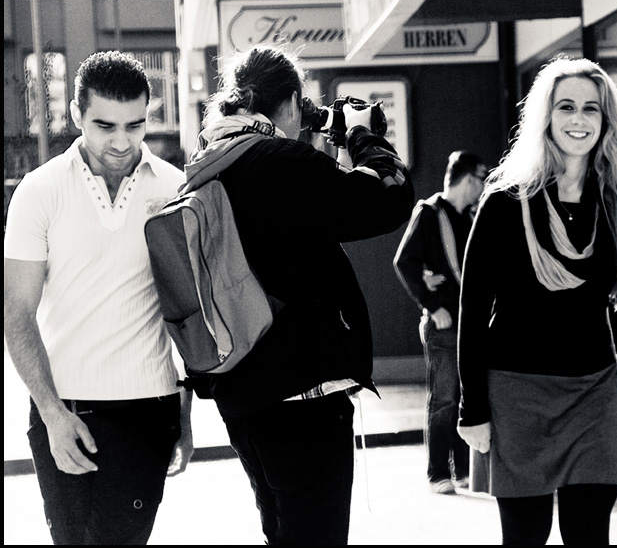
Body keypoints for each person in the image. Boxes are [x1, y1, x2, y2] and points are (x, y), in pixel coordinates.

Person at [187, 44, 413, 545]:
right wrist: (363, 136)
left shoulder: (211, 161)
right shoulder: (279, 162)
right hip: (303, 405)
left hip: (244, 399)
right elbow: (389, 198)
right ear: (291, 101)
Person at [456, 56, 617, 545]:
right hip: (516, 393)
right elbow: (472, 311)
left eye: (591, 108)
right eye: (566, 107)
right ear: (546, 117)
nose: (578, 119)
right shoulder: (504, 203)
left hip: (594, 393)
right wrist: (472, 408)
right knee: (526, 536)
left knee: (589, 535)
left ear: (606, 121)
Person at [4, 50, 193, 545]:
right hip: (64, 408)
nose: (122, 142)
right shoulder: (38, 192)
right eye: (105, 125)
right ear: (76, 114)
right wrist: (51, 414)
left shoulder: (177, 189)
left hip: (148, 408)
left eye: (135, 125)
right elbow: (16, 312)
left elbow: (188, 312)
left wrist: (184, 411)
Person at [393, 150, 488, 494]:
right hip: (444, 324)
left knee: (466, 398)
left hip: (470, 324)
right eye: (481, 179)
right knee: (444, 399)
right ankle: (438, 473)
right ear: (469, 179)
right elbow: (404, 261)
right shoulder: (429, 212)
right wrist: (432, 306)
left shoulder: (471, 217)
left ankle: (463, 470)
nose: (483, 187)